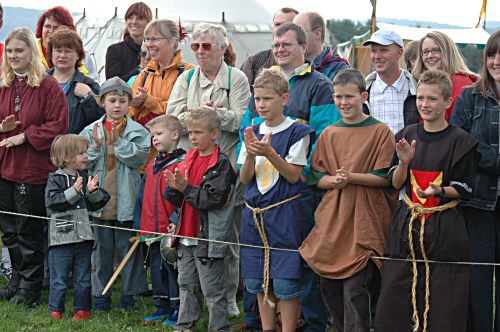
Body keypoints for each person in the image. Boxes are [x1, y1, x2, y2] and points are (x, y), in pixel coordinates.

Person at [240, 22, 337, 332]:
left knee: (295, 270)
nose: (279, 48)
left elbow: (322, 137)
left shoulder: (318, 83)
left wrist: (281, 153)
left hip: (297, 192)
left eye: (287, 44)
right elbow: (250, 134)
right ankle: (265, 324)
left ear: (303, 47)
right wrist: (256, 150)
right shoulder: (262, 89)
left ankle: (309, 325)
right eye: (276, 43)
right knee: (260, 274)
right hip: (260, 201)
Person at [375, 70, 478, 332]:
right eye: (420, 98)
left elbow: (465, 189)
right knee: (401, 281)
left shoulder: (461, 142)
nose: (424, 104)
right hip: (407, 224)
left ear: (447, 101)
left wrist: (439, 191)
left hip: (444, 224)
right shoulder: (407, 134)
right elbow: (396, 183)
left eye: (432, 99)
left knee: (443, 285)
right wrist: (405, 163)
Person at [299, 68, 397, 332]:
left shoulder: (380, 132)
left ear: (363, 96)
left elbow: (386, 179)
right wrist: (333, 181)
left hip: (365, 220)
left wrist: (351, 177)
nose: (343, 102)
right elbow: (316, 176)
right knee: (329, 286)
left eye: (349, 97)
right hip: (334, 220)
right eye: (338, 97)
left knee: (356, 289)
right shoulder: (329, 133)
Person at [167, 22, 250, 318]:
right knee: (190, 231)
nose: (200, 52)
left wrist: (216, 115)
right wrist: (199, 116)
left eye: (206, 46)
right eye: (196, 46)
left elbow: (242, 119)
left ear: (222, 48)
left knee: (226, 236)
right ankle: (193, 301)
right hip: (192, 166)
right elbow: (172, 118)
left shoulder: (236, 78)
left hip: (225, 166)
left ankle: (227, 299)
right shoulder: (187, 78)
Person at [239, 68, 314, 332]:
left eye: (267, 99)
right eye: (257, 99)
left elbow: (294, 176)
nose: (261, 105)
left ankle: (289, 328)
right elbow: (245, 177)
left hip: (283, 215)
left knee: (284, 281)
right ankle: (267, 327)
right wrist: (250, 154)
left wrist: (269, 152)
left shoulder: (297, 132)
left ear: (284, 98)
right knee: (258, 279)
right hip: (254, 215)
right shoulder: (252, 131)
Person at [0, 27, 69, 307]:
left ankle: (30, 287)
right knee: (10, 229)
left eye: (19, 50)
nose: (14, 55)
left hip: (33, 169)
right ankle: (16, 280)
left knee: (29, 230)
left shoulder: (48, 86)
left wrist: (26, 135)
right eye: (9, 51)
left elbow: (59, 126)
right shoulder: (3, 84)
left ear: (31, 51)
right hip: (4, 167)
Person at [80, 77, 150, 311]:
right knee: (101, 252)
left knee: (128, 250)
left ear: (130, 103)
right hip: (100, 202)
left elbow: (139, 157)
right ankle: (101, 296)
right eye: (112, 100)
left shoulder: (137, 131)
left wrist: (118, 143)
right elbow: (82, 161)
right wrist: (96, 147)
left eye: (122, 100)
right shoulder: (91, 131)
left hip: (125, 200)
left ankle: (129, 295)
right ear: (102, 102)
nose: (117, 105)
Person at [164, 108, 237, 332]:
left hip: (207, 237)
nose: (192, 137)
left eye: (198, 132)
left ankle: (218, 327)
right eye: (190, 132)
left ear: (214, 134)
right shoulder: (188, 158)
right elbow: (178, 199)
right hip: (186, 235)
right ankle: (185, 325)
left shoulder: (221, 164)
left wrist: (184, 188)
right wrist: (172, 187)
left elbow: (212, 200)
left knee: (212, 289)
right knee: (185, 284)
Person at [449, 30, 500, 332]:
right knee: (478, 281)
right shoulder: (470, 97)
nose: (497, 61)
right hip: (477, 203)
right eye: (492, 54)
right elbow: (460, 143)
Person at [45, 134, 109, 321]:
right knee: (59, 277)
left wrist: (92, 191)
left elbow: (99, 202)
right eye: (81, 153)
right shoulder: (54, 179)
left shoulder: (86, 177)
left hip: (84, 238)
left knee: (83, 277)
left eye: (85, 152)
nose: (86, 156)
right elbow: (52, 202)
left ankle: (83, 309)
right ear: (66, 158)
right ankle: (56, 309)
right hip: (61, 239)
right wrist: (74, 191)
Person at [133, 114, 186, 325]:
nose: (154, 138)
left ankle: (177, 308)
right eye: (152, 135)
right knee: (156, 270)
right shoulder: (151, 165)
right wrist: (139, 225)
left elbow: (184, 199)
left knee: (173, 270)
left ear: (174, 135)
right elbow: (141, 197)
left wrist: (175, 219)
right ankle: (161, 306)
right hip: (150, 228)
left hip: (170, 230)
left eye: (159, 134)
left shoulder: (181, 164)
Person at [129, 19, 194, 128]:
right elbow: (128, 113)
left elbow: (184, 112)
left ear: (173, 41)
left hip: (175, 142)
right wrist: (136, 105)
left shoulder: (189, 72)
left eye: (154, 39)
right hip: (145, 142)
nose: (149, 44)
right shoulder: (145, 73)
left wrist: (148, 100)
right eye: (147, 39)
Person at [47, 27, 105, 134]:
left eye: (68, 51)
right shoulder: (38, 82)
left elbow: (103, 121)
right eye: (58, 50)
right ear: (51, 53)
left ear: (78, 55)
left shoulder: (90, 85)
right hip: (41, 147)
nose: (62, 55)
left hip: (73, 148)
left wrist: (88, 98)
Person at [412, 31, 477, 121]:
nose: (429, 56)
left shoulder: (463, 85)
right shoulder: (417, 82)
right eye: (425, 52)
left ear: (448, 53)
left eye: (435, 50)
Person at [363, 29, 418, 134]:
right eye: (373, 51)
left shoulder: (417, 90)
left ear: (399, 53)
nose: (377, 56)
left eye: (383, 50)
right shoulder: (363, 93)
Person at [240, 7, 298, 92]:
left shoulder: (311, 65)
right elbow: (244, 99)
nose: (280, 29)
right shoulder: (254, 62)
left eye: (287, 25)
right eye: (277, 24)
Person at [35, 6, 94, 78]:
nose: (51, 31)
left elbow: (88, 79)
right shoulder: (30, 50)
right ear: (41, 28)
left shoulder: (78, 54)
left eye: (56, 27)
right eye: (47, 26)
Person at [293, 11, 349, 80]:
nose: (293, 37)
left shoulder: (339, 69)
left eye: (299, 32)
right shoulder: (291, 65)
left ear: (317, 34)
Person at [105, 2, 152, 82]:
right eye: (130, 18)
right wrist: (140, 67)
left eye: (140, 18)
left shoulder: (154, 50)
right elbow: (112, 84)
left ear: (148, 23)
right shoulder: (114, 50)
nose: (134, 22)